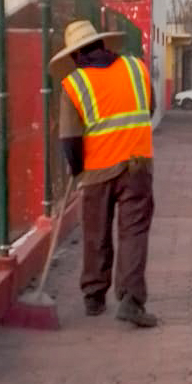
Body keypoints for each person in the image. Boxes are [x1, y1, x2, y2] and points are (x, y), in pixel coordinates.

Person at [53, 18, 158, 328]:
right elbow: (148, 108)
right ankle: (131, 300)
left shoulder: (74, 84)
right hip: (138, 165)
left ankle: (94, 297)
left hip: (98, 171)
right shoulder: (135, 68)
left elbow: (70, 138)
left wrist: (77, 168)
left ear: (75, 55)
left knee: (96, 232)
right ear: (102, 44)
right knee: (133, 232)